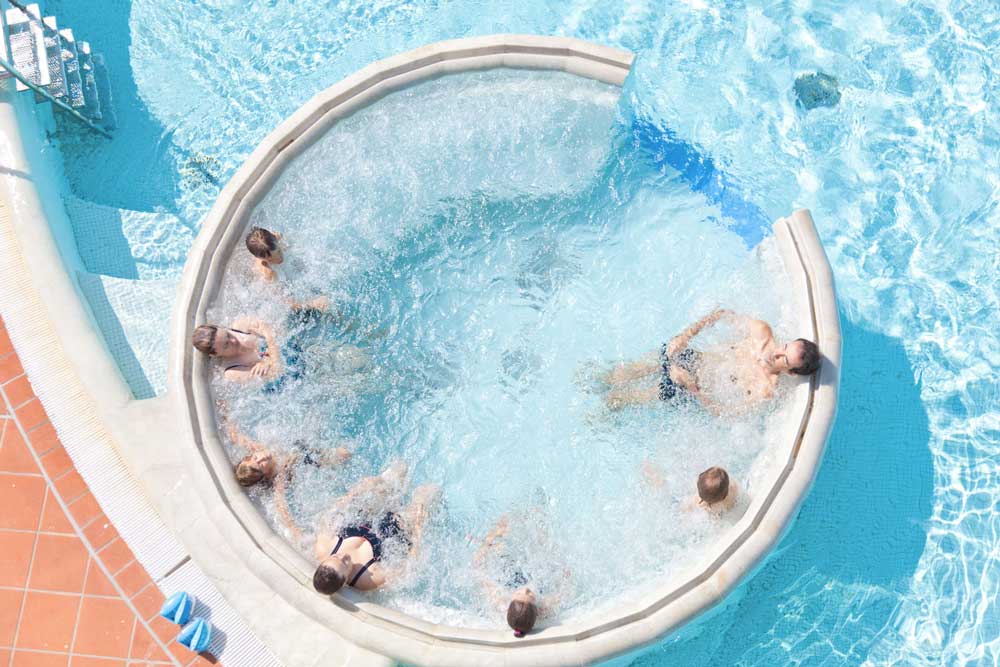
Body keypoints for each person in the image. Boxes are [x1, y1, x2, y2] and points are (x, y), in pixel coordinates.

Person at [602, 309, 820, 414]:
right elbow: (721, 314)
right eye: (785, 347)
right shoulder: (761, 332)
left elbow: (723, 414)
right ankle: (594, 380)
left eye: (784, 359)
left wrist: (691, 387)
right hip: (691, 357)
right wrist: (685, 336)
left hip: (686, 389)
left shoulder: (765, 389)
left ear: (791, 372)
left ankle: (594, 417)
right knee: (618, 375)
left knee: (621, 400)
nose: (777, 353)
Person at [288, 463, 440, 594]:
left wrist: (353, 493)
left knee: (400, 469)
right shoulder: (368, 579)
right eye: (345, 563)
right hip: (397, 527)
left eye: (335, 557)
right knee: (430, 492)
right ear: (345, 580)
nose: (343, 556)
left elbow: (331, 513)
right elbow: (408, 569)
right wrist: (418, 529)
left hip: (373, 512)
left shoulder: (324, 548)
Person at [474, 514, 566, 637]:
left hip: (510, 581)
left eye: (519, 593)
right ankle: (538, 524)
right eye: (530, 595)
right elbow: (563, 594)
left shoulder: (500, 602)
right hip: (531, 580)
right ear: (536, 609)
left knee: (497, 548)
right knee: (541, 551)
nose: (525, 589)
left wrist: (487, 544)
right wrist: (565, 577)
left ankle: (500, 529)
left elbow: (479, 573)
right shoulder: (543, 610)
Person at [192, 316, 281, 383]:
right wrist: (270, 356)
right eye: (226, 345)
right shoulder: (233, 371)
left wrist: (268, 360)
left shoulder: (241, 325)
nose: (234, 341)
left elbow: (273, 331)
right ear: (216, 354)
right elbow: (276, 374)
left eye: (228, 335)